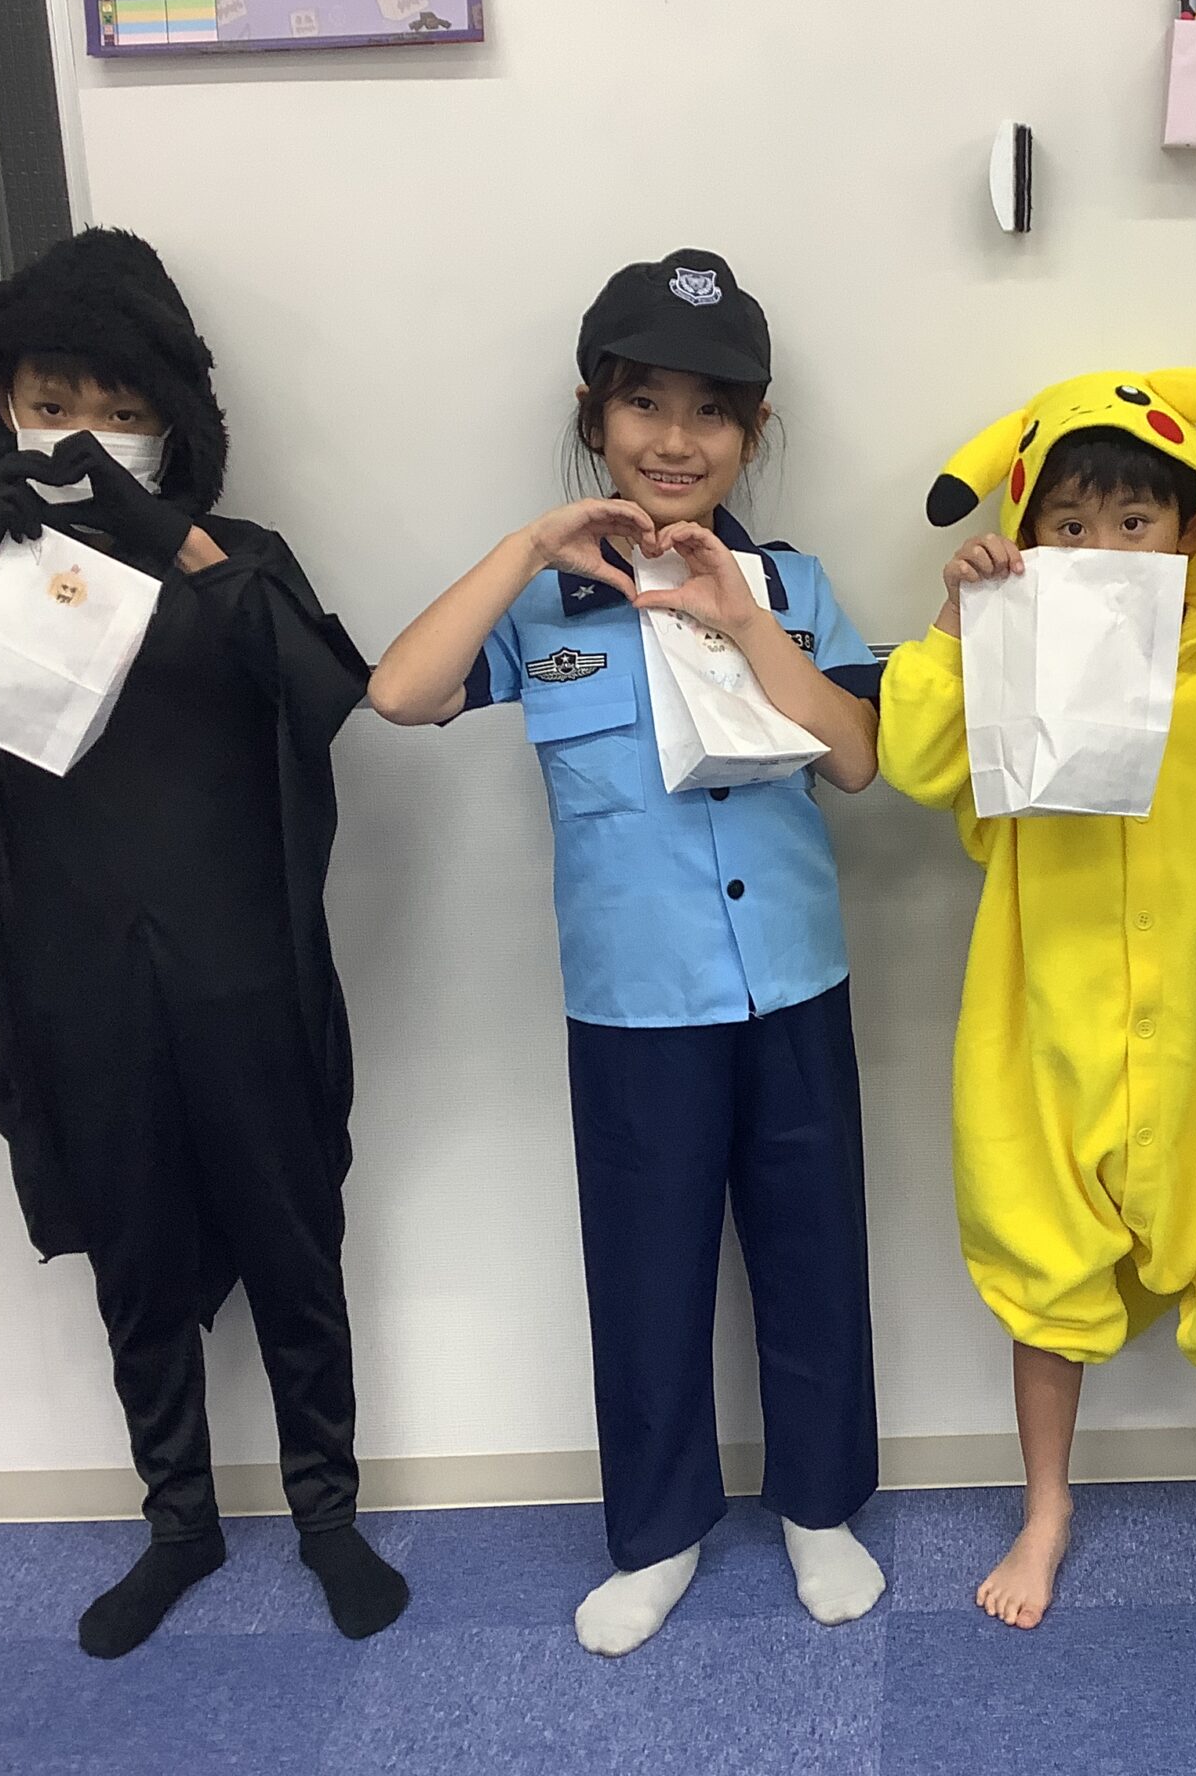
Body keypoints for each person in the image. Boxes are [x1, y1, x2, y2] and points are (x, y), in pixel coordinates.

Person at [0, 228, 407, 1658]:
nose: (85, 433)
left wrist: (169, 537)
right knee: (132, 1252)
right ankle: (178, 1521)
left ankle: (326, 1512)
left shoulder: (238, 563)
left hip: (238, 965)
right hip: (75, 975)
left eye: (122, 409)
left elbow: (326, 689)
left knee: (290, 1231)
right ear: (0, 408)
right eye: (53, 402)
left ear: (172, 423)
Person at [366, 249, 887, 1657]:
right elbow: (400, 693)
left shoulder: (792, 583)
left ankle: (819, 1507)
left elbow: (855, 760)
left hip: (793, 981)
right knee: (648, 1275)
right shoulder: (546, 607)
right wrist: (528, 547)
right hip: (633, 1004)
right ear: (594, 416)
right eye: (645, 403)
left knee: (813, 1255)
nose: (676, 438)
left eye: (713, 412)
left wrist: (744, 622)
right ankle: (658, 1533)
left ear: (754, 433)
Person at [879, 370, 1196, 1629]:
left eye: (1134, 522)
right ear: (1031, 534)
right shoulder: (1010, 652)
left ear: (1191, 525)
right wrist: (955, 622)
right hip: (1047, 1013)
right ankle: (1046, 1506)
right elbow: (916, 764)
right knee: (1043, 1249)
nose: (1103, 548)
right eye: (1071, 524)